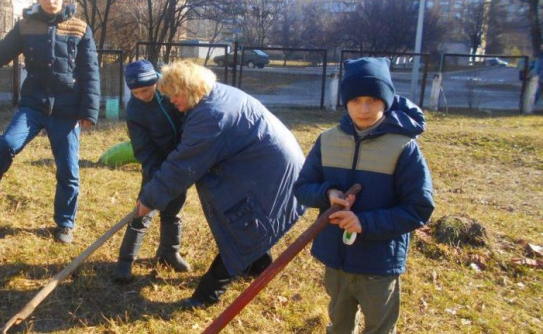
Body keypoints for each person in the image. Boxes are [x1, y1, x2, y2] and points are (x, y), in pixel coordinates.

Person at [134, 61, 307, 309]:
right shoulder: (212, 95)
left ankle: (205, 296)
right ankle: (259, 268)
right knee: (248, 226)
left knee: (243, 226)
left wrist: (149, 199)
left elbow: (183, 164)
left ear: (190, 88)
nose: (171, 101)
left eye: (175, 94)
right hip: (266, 164)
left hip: (271, 171)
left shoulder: (211, 116)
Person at [0, 0, 100, 243]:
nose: (50, 1)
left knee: (68, 169)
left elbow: (90, 71)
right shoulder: (26, 27)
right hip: (33, 104)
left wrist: (89, 110)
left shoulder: (80, 28)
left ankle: (65, 223)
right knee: (7, 144)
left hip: (66, 109)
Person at [293, 57, 435, 334]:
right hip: (336, 257)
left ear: (387, 100)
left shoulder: (403, 147)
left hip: (378, 263)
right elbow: (302, 188)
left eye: (373, 99)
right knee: (339, 322)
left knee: (379, 326)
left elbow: (419, 208)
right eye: (356, 100)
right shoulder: (327, 140)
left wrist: (364, 223)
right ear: (345, 101)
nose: (365, 108)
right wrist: (328, 192)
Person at [113, 60, 190, 282]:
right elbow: (142, 147)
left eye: (145, 90)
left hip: (180, 162)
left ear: (156, 82)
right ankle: (125, 261)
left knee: (174, 209)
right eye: (135, 92)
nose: (140, 96)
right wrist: (156, 175)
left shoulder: (172, 93)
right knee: (143, 210)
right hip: (155, 165)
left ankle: (169, 252)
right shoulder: (135, 109)